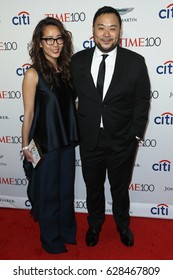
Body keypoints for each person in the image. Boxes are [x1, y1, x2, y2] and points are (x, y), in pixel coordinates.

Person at [71, 6, 150, 247]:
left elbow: (142, 100)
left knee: (119, 189)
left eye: (112, 28)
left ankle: (122, 224)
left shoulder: (135, 62)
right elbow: (69, 98)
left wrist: (135, 134)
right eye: (101, 27)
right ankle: (94, 224)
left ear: (120, 31)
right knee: (93, 187)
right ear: (93, 30)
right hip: (90, 139)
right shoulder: (77, 60)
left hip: (122, 140)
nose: (106, 34)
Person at [21, 17, 78, 254]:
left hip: (66, 142)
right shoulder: (33, 74)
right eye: (49, 39)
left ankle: (66, 232)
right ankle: (51, 240)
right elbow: (29, 114)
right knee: (48, 194)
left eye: (59, 38)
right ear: (40, 42)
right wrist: (26, 150)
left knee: (66, 191)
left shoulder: (66, 70)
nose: (55, 44)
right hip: (44, 146)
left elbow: (71, 106)